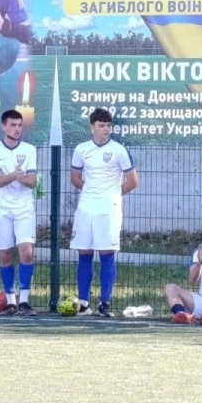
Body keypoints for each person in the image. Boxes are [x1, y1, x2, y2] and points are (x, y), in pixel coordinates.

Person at [70, 108, 138, 317]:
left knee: (107, 254)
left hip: (109, 209)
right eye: (101, 125)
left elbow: (133, 181)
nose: (106, 129)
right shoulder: (81, 149)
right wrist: (92, 192)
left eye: (108, 125)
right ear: (92, 127)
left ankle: (105, 302)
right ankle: (83, 302)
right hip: (86, 207)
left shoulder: (119, 150)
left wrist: (113, 196)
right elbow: (75, 178)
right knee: (84, 253)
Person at [0, 109, 38, 316]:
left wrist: (16, 177)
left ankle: (24, 301)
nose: (17, 129)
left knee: (27, 251)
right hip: (0, 209)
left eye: (19, 126)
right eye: (13, 125)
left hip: (24, 206)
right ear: (3, 126)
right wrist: (16, 176)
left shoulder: (30, 150)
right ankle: (10, 302)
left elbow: (32, 182)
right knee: (5, 254)